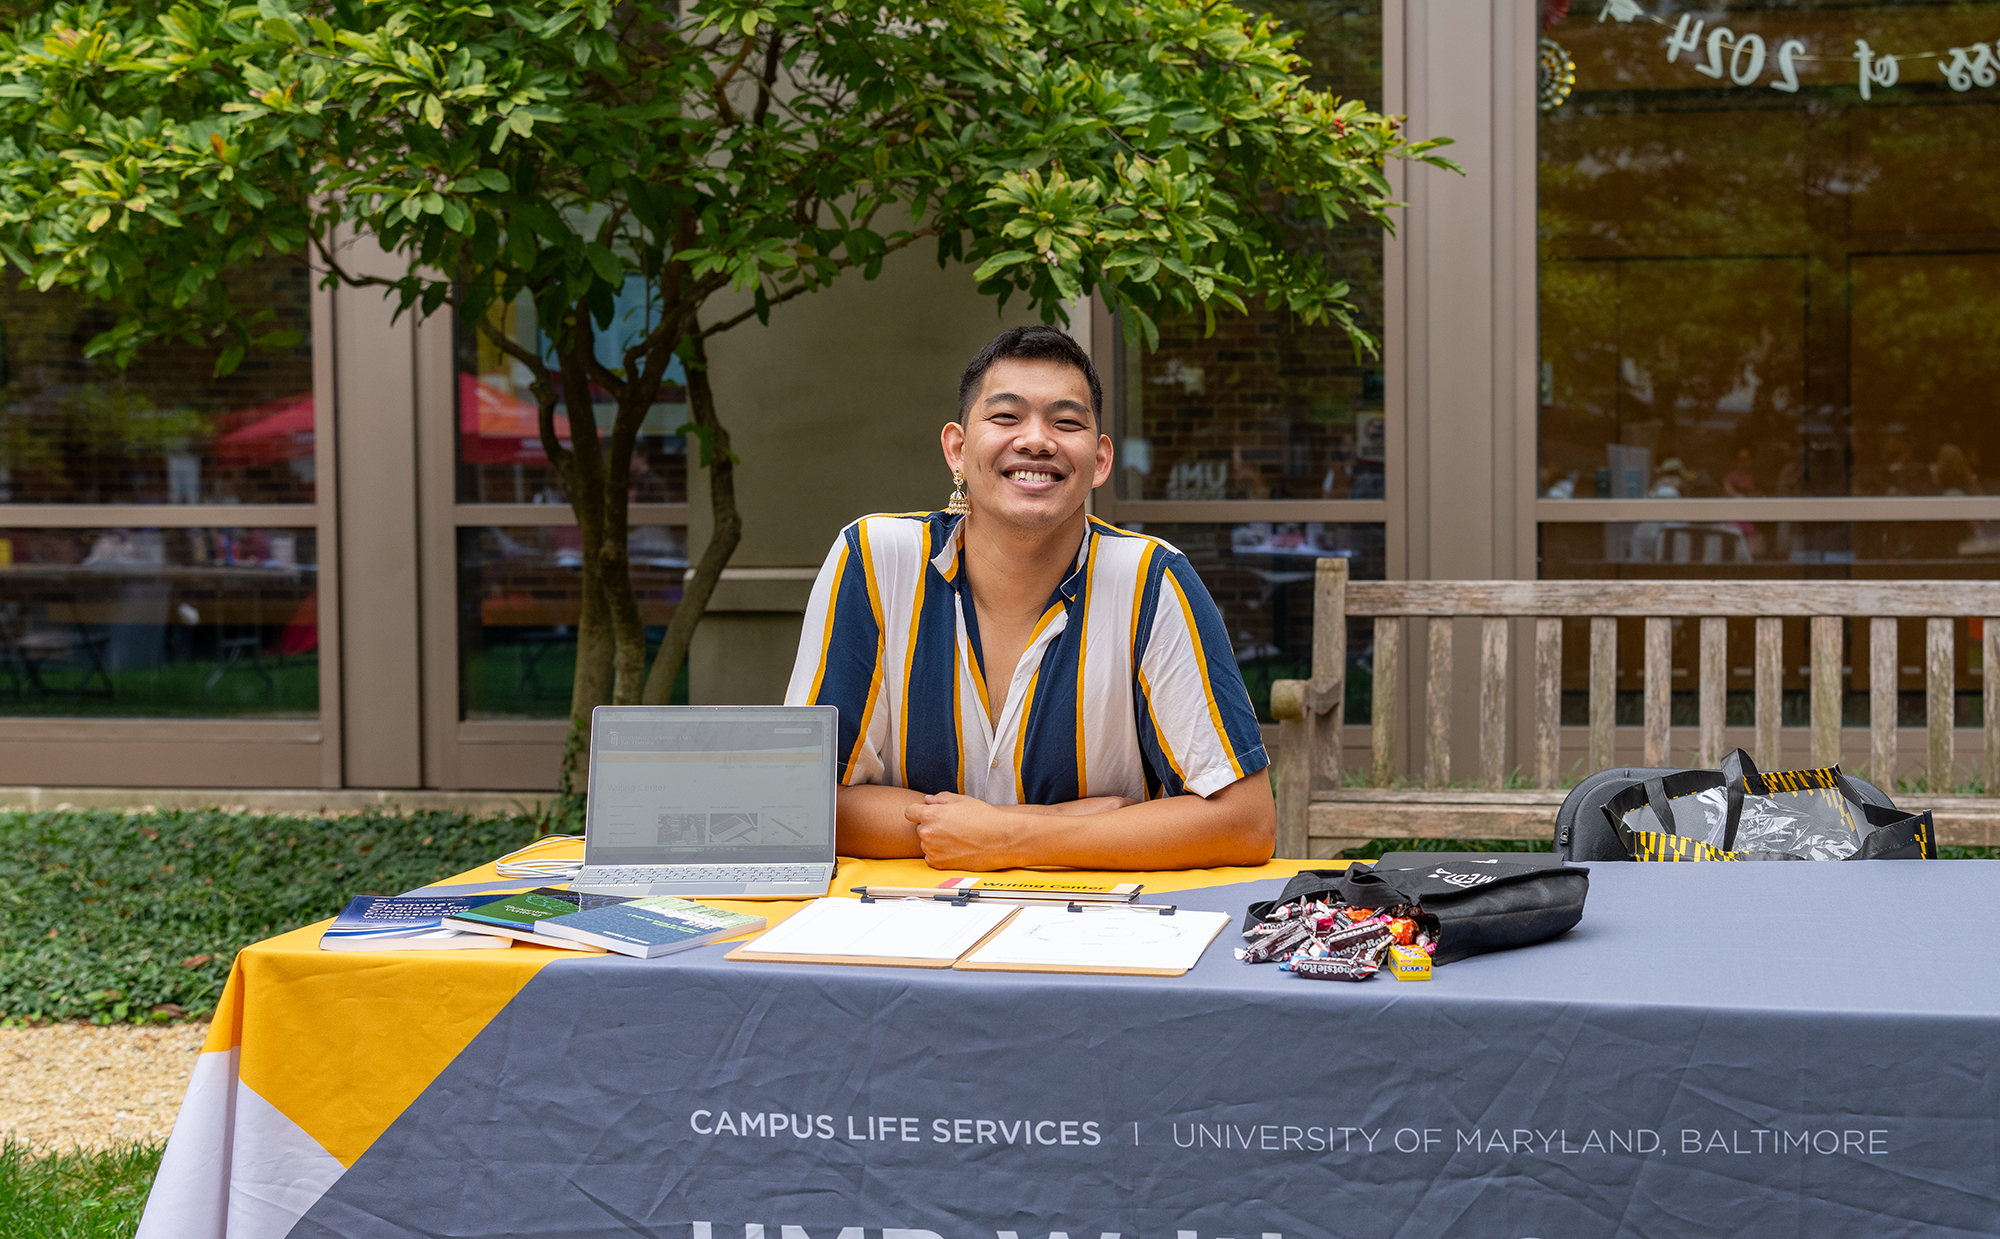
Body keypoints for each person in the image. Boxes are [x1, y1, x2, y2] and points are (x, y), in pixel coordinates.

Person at [784, 325, 1276, 871]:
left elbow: (1247, 824)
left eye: (1066, 422)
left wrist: (1009, 836)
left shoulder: (1152, 580)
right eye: (1005, 417)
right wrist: (1064, 822)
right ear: (957, 448)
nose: (1037, 440)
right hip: (903, 926)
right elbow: (800, 804)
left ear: (1100, 459)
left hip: (1102, 930)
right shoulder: (874, 559)